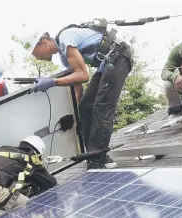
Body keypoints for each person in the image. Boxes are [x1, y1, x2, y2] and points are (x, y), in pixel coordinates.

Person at [16, 19, 133, 169]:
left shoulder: (66, 39)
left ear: (44, 42)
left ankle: (98, 158)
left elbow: (84, 75)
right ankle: (94, 154)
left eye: (35, 52)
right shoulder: (65, 58)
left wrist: (52, 82)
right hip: (107, 64)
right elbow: (77, 85)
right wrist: (76, 113)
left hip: (118, 57)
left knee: (102, 107)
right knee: (86, 107)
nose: (36, 58)